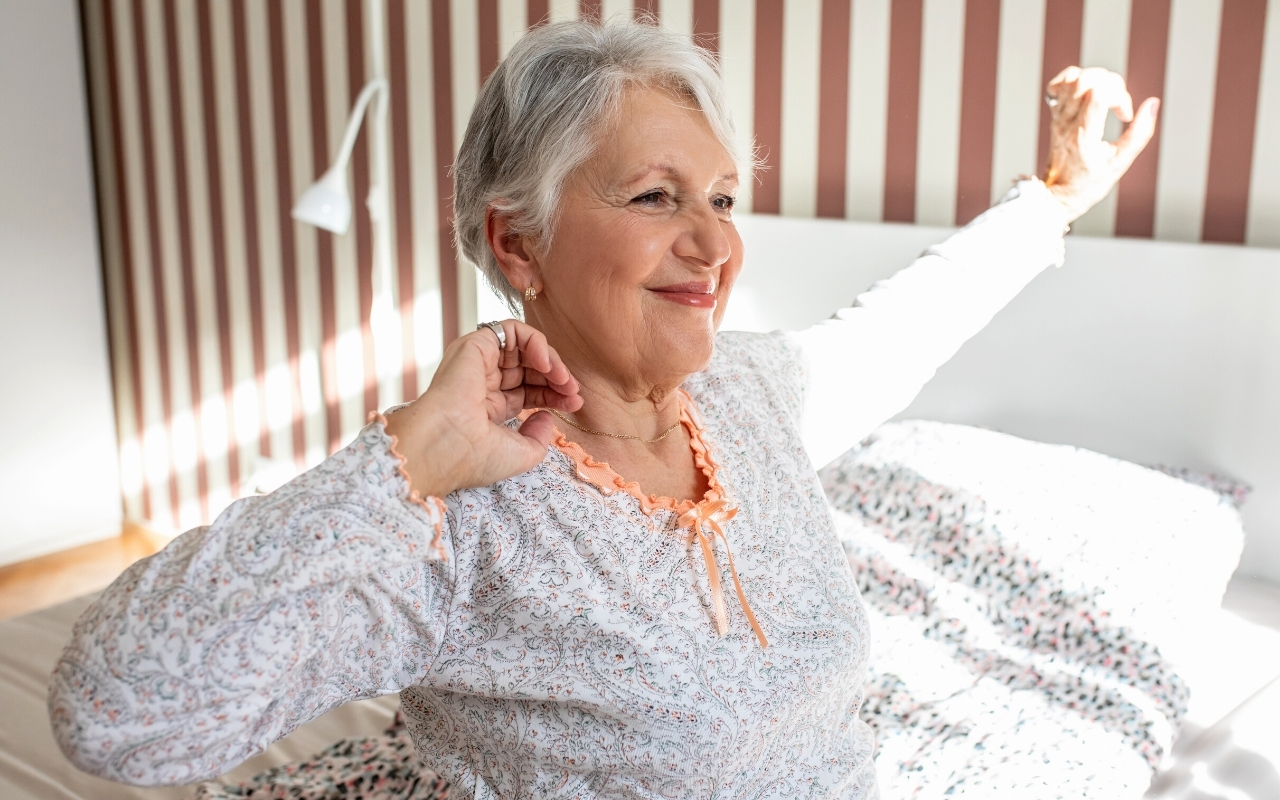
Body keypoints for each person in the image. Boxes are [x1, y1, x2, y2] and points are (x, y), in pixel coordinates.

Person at [48, 19, 1157, 800]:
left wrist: (1053, 198)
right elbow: (119, 715)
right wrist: (411, 458)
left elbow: (891, 333)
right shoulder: (458, 510)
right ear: (517, 242)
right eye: (655, 196)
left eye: (722, 197)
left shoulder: (750, 393)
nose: (714, 243)